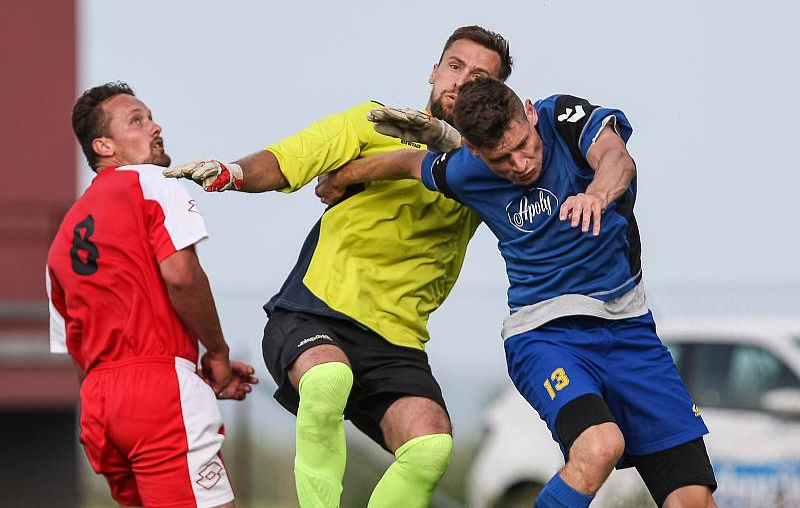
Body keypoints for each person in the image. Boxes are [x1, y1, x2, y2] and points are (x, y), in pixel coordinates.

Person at [315, 78, 718, 508]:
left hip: (630, 332)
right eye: (501, 159)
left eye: (523, 144)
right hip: (544, 336)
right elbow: (406, 165)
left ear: (528, 112)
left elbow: (617, 158)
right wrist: (342, 178)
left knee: (692, 500)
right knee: (599, 445)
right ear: (473, 149)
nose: (521, 163)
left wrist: (596, 195)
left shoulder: (565, 120)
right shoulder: (466, 169)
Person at [162, 26, 512, 508]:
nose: (459, 82)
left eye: (478, 78)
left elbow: (517, 178)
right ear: (433, 72)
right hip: (313, 313)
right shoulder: (373, 123)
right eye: (454, 66)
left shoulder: (493, 165)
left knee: (431, 448)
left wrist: (444, 144)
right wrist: (233, 173)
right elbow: (289, 159)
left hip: (397, 341)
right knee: (328, 381)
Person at [46, 82, 258, 508]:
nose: (155, 127)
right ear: (103, 145)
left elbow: (74, 345)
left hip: (98, 406)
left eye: (151, 117)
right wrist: (215, 354)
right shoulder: (150, 180)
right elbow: (181, 275)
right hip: (158, 390)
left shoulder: (62, 237)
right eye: (137, 120)